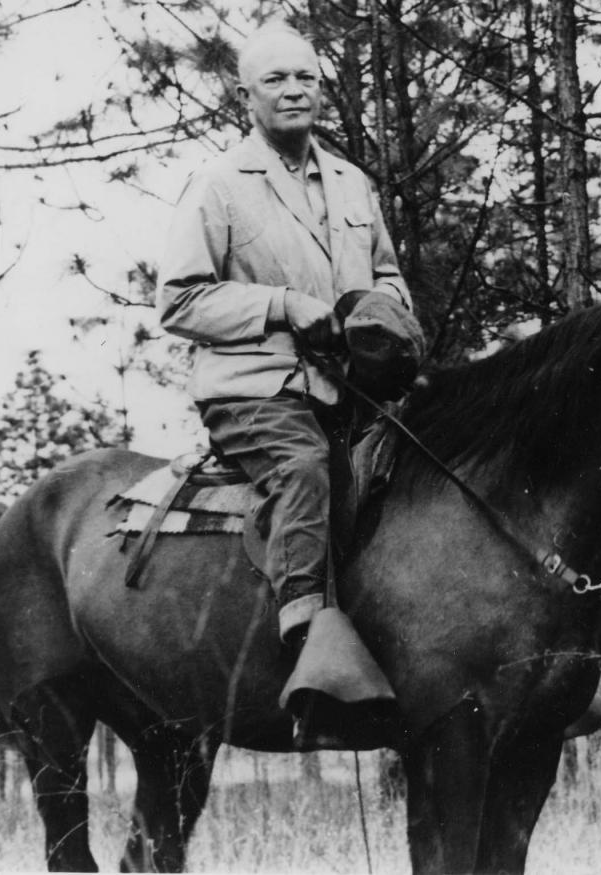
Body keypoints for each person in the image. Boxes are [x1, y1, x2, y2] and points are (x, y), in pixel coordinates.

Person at [155, 24, 414, 659]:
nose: (294, 91)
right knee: (303, 467)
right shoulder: (218, 183)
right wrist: (281, 305)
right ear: (247, 97)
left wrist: (386, 311)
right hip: (256, 390)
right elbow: (179, 299)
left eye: (306, 78)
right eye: (276, 79)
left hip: (350, 386)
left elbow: (385, 271)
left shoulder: (352, 182)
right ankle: (307, 634)